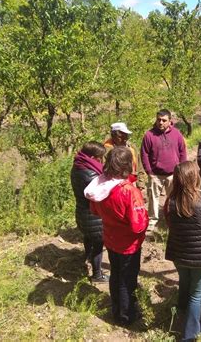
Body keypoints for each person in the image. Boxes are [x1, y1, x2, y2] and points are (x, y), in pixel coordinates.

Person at [84, 147, 149, 326]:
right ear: (128, 165)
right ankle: (126, 315)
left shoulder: (102, 185)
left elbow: (94, 210)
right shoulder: (129, 191)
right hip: (129, 244)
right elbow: (138, 225)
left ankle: (116, 309)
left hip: (111, 239)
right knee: (127, 279)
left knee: (116, 274)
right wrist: (145, 215)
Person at [164, 161, 201, 341]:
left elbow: (170, 226)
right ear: (195, 178)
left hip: (179, 253)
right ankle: (190, 336)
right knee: (196, 296)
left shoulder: (170, 203)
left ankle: (181, 309)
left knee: (184, 280)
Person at [141, 109, 187, 231]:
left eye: (164, 120)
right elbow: (144, 154)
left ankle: (173, 219)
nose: (160, 122)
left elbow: (182, 152)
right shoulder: (149, 135)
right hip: (155, 174)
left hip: (173, 174)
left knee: (173, 197)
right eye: (158, 120)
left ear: (170, 121)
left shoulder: (177, 134)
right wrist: (149, 172)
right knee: (153, 198)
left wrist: (181, 170)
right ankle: (152, 221)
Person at [70, 141, 109, 283]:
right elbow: (101, 196)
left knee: (88, 237)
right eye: (100, 158)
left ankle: (87, 258)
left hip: (81, 211)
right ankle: (97, 274)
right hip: (93, 216)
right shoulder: (91, 174)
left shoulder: (77, 166)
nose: (101, 161)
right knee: (98, 244)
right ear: (92, 157)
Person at [104, 122, 145, 189]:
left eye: (126, 135)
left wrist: (140, 183)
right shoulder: (107, 149)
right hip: (115, 185)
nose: (125, 138)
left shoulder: (131, 147)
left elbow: (139, 166)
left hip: (132, 182)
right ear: (113, 136)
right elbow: (104, 169)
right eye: (121, 136)